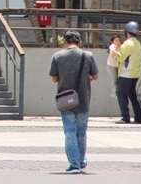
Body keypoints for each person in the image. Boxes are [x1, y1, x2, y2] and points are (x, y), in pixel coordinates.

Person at [49, 30, 99, 174]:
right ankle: (82, 161)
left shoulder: (58, 56)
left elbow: (54, 78)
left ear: (65, 42)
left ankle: (74, 164)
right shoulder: (87, 55)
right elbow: (95, 76)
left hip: (65, 100)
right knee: (81, 132)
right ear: (80, 42)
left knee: (70, 132)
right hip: (83, 99)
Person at [115, 21, 141, 124]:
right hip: (135, 74)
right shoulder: (137, 43)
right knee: (133, 96)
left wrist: (114, 53)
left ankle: (125, 118)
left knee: (122, 96)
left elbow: (121, 57)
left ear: (127, 32)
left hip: (126, 74)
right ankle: (139, 117)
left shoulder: (127, 43)